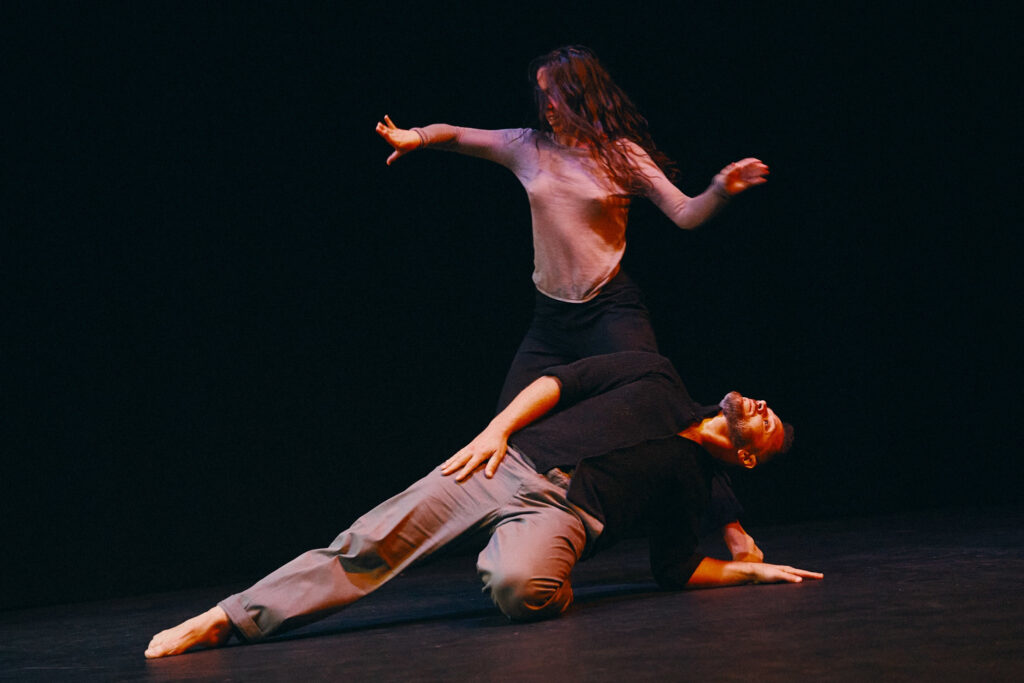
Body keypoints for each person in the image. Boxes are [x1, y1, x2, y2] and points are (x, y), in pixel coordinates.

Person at [145, 351, 821, 658]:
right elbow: (562, 380)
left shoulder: (694, 485)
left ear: (751, 454)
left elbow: (675, 568)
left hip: (560, 517)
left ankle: (533, 567)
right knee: (371, 539)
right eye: (765, 402)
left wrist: (748, 572)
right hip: (506, 462)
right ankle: (228, 617)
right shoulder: (657, 375)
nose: (759, 404)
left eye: (768, 419)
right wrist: (495, 431)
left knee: (518, 585)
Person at [375, 45, 770, 558]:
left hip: (611, 308)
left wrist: (720, 189)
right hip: (551, 320)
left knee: (667, 412)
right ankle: (507, 538)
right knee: (504, 434)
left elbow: (685, 214)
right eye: (542, 96)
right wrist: (418, 137)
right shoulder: (527, 147)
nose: (548, 106)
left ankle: (731, 528)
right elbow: (459, 135)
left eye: (554, 94)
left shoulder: (622, 155)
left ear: (581, 94)